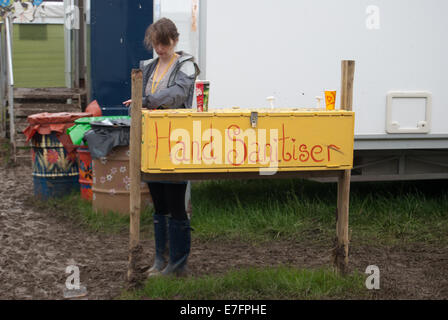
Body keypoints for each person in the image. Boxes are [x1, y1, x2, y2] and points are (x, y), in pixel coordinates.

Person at [123, 17, 199, 277]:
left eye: (164, 44)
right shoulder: (148, 66)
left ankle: (178, 266)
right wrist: (136, 101)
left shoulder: (186, 66)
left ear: (174, 40)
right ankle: (160, 262)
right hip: (151, 142)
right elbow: (142, 98)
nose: (160, 49)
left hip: (177, 141)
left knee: (176, 202)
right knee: (158, 203)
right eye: (156, 44)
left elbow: (178, 93)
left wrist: (146, 100)